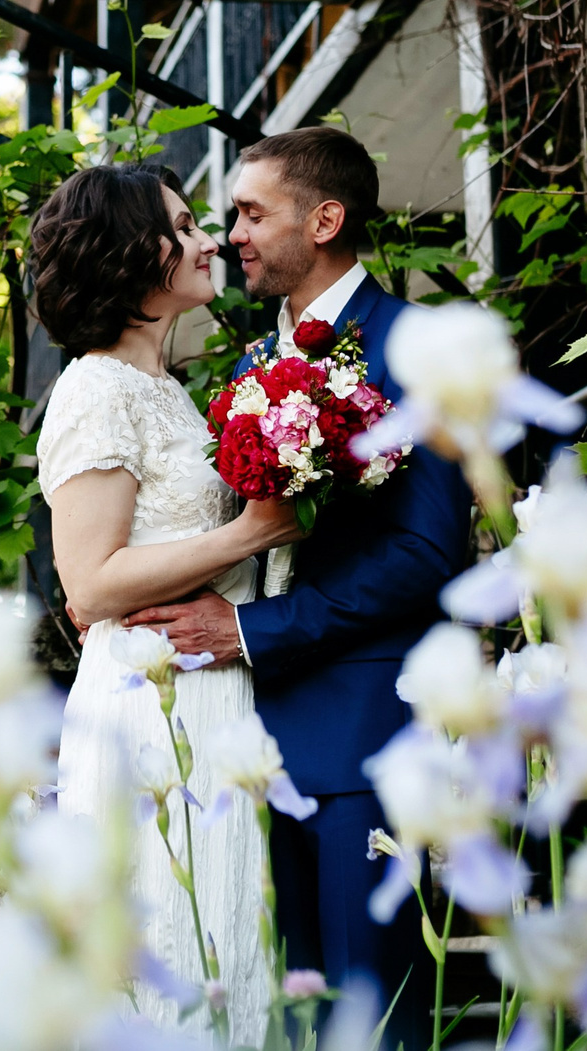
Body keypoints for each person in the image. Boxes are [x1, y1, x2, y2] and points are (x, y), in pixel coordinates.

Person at [123, 127, 471, 1046]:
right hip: (241, 747)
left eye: (249, 212)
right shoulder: (245, 371)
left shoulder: (418, 346)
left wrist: (250, 629)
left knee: (373, 1022)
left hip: (363, 735)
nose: (231, 233)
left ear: (325, 219)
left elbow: (426, 552)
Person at [30, 162, 303, 1041]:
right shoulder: (95, 389)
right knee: (174, 951)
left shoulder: (172, 394)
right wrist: (255, 533)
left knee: (228, 948)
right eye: (184, 226)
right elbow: (92, 583)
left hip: (218, 693)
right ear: (126, 252)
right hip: (148, 710)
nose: (210, 239)